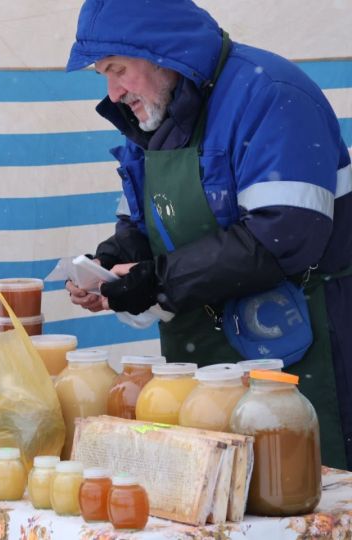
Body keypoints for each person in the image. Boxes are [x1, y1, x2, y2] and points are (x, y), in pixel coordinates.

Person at [65, 0, 352, 469]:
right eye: (103, 76)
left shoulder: (270, 94)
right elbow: (145, 219)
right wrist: (113, 262)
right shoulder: (155, 112)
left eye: (118, 70)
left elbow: (283, 235)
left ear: (163, 53)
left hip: (300, 352)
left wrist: (156, 281)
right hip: (203, 361)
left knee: (303, 496)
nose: (113, 93)